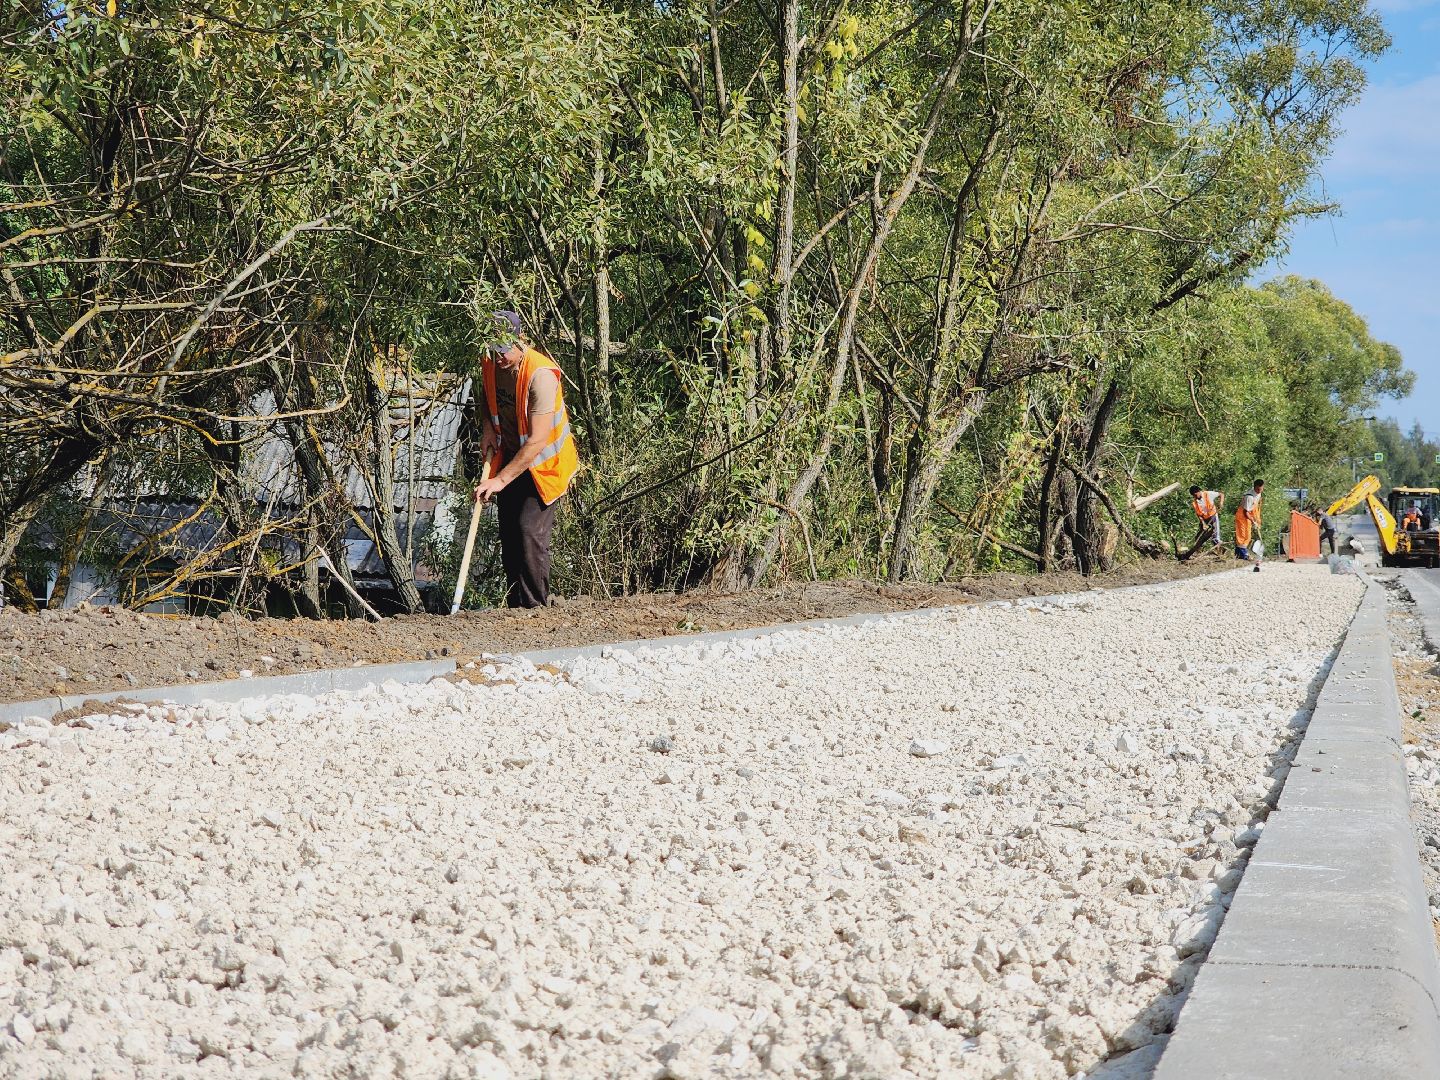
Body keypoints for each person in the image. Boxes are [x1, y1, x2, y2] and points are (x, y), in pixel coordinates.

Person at [473, 311, 580, 608]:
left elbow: (537, 441)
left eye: (504, 350)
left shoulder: (540, 376)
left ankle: (535, 609)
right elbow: (485, 394)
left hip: (546, 466)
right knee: (509, 534)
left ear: (520, 339)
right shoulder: (490, 361)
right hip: (512, 457)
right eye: (493, 350)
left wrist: (500, 479)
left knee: (528, 533)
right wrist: (486, 429)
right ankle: (514, 610)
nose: (498, 357)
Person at [1234, 479, 1263, 563]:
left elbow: (1255, 508)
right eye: (1257, 489)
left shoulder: (1259, 494)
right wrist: (1253, 521)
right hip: (1242, 517)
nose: (1259, 491)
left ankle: (1238, 554)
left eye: (1261, 489)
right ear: (1254, 487)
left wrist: (1257, 520)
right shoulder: (1249, 497)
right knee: (1243, 536)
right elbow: (1245, 512)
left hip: (1249, 516)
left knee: (1247, 536)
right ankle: (1244, 554)